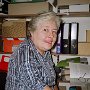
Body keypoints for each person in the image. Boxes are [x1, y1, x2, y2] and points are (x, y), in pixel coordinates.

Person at [5, 11, 61, 90]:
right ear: (32, 31)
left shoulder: (45, 52)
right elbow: (38, 86)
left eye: (54, 31)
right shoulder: (24, 53)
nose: (51, 35)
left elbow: (52, 82)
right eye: (45, 30)